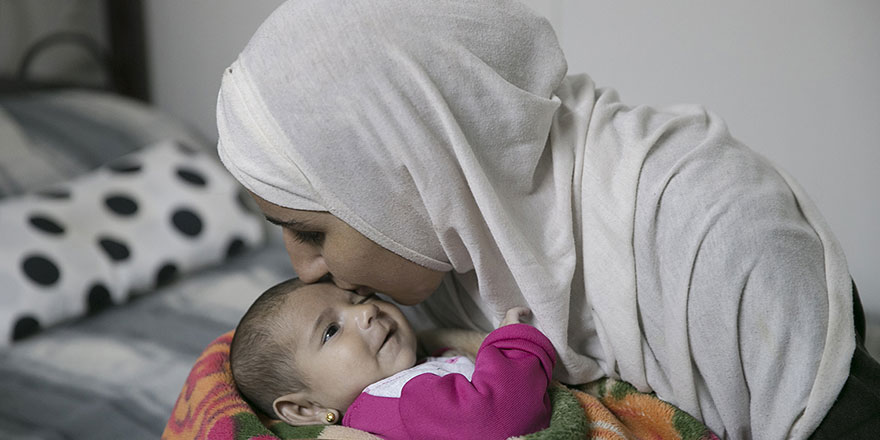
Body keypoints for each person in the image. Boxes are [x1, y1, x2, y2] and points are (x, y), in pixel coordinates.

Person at [216, 0, 879, 438]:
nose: (304, 269)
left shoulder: (714, 226)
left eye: (309, 229)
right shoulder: (444, 249)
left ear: (407, 173)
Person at [229, 278, 555, 440]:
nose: (367, 311)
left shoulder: (406, 383)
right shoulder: (398, 397)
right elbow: (493, 416)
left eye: (361, 297)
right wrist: (514, 347)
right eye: (331, 331)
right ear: (305, 410)